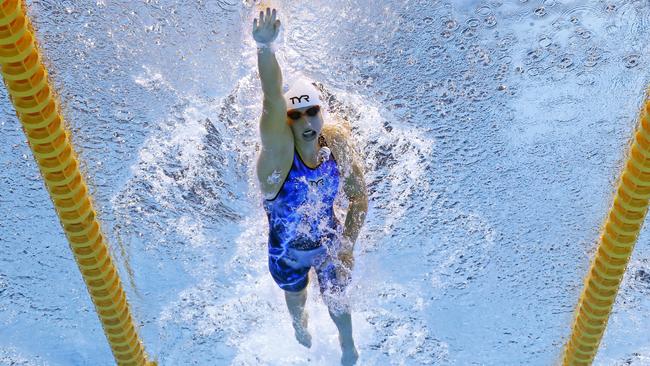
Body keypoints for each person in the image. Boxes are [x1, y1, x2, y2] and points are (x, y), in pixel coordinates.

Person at [252, 7, 368, 366]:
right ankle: (298, 327)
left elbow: (359, 198)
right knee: (296, 299)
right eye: (295, 114)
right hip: (285, 254)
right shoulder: (278, 157)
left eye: (312, 112)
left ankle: (348, 346)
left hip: (328, 241)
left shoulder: (336, 145)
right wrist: (265, 48)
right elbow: (272, 101)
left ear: (321, 113)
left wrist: (347, 244)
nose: (305, 120)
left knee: (338, 297)